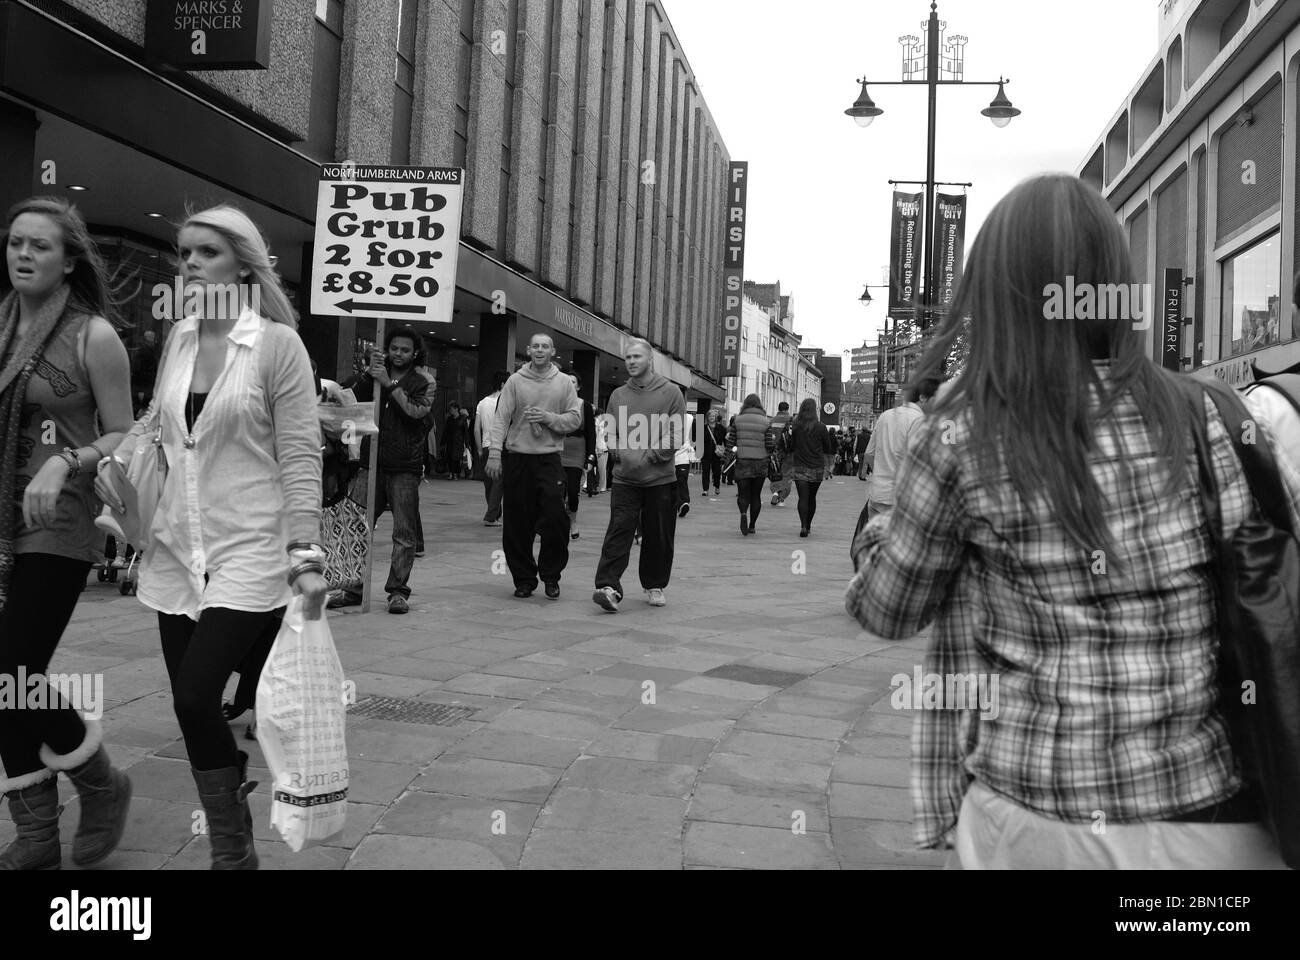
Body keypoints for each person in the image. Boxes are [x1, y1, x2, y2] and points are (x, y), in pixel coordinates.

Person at [845, 173, 1300, 869]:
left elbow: (889, 608)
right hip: (1206, 820)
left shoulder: (963, 435)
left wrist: (884, 528)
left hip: (1034, 821)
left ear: (997, 294)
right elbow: (1262, 584)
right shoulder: (1209, 416)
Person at [97, 204, 325, 869]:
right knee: (187, 705)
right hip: (176, 546)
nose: (188, 264)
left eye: (205, 253)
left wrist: (305, 551)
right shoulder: (183, 336)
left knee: (200, 693)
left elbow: (302, 454)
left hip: (252, 546)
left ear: (243, 266)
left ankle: (229, 848)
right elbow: (160, 424)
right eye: (184, 252)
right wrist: (107, 461)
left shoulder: (279, 346)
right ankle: (238, 840)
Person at [0, 197, 135, 871]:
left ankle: (101, 785)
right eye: (16, 243)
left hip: (60, 525)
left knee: (12, 670)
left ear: (69, 260)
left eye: (40, 246)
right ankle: (36, 831)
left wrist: (67, 458)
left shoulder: (93, 336)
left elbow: (125, 431)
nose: (24, 254)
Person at [339, 327, 432, 613]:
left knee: (404, 533)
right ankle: (353, 588)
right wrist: (371, 374)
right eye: (394, 349)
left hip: (405, 467)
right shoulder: (374, 375)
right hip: (371, 463)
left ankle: (397, 592)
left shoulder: (424, 381)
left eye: (405, 350)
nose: (399, 354)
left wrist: (389, 384)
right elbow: (353, 403)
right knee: (356, 526)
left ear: (414, 353)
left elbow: (416, 413)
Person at [592, 338, 687, 612]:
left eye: (637, 357)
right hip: (625, 480)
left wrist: (652, 456)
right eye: (628, 357)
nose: (631, 362)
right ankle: (608, 586)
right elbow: (610, 433)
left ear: (650, 360)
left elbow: (676, 434)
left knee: (659, 535)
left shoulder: (671, 393)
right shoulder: (618, 395)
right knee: (618, 531)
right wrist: (621, 453)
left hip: (660, 479)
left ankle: (654, 584)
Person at [484, 333, 581, 599]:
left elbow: (574, 420)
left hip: (550, 460)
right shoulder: (515, 381)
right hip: (518, 459)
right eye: (535, 346)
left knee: (555, 519)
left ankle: (551, 576)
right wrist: (494, 453)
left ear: (553, 351)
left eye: (545, 346)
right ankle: (524, 579)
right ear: (528, 350)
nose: (539, 350)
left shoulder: (563, 383)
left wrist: (548, 418)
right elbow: (501, 419)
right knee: (517, 523)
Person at [857, 379, 937, 535]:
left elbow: (869, 454)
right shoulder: (920, 421)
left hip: (878, 496)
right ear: (922, 397)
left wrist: (883, 472)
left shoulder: (885, 416)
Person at [726, 394, 775, 536]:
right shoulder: (766, 422)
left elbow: (731, 443)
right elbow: (770, 445)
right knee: (756, 495)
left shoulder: (737, 420)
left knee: (743, 494)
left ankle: (743, 513)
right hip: (760, 462)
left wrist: (726, 459)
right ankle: (752, 525)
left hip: (742, 461)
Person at [787, 398, 836, 538]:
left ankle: (802, 525)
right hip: (816, 467)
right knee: (812, 497)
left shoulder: (796, 426)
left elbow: (791, 446)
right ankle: (808, 526)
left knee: (803, 497)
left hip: (800, 466)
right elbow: (828, 447)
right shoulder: (821, 427)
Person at [560, 371, 596, 539]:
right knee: (556, 491)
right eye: (567, 381)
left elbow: (591, 433)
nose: (570, 384)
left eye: (573, 382)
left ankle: (573, 520)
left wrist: (590, 457)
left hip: (577, 452)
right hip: (559, 450)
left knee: (573, 492)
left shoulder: (585, 406)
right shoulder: (558, 403)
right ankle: (558, 524)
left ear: (579, 386)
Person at [474, 370, 507, 525]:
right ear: (502, 384)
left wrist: (479, 449)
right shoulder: (504, 401)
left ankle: (494, 513)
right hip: (499, 447)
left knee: (489, 483)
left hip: (486, 446)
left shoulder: (482, 402)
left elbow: (476, 429)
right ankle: (491, 516)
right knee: (498, 484)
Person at [768, 401, 793, 506]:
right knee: (786, 474)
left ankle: (774, 491)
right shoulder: (791, 420)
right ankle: (781, 497)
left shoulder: (772, 421)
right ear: (787, 409)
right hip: (788, 452)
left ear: (778, 409)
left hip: (774, 451)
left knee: (775, 473)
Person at [130, 328, 159, 415]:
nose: (155, 342)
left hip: (142, 388)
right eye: (154, 339)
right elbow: (138, 371)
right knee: (141, 411)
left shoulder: (142, 352)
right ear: (150, 340)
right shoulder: (145, 353)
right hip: (143, 389)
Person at [700, 408, 725, 497]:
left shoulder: (721, 428)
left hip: (716, 454)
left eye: (713, 416)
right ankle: (705, 489)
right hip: (705, 453)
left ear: (716, 417)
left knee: (716, 471)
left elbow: (724, 440)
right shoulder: (702, 427)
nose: (711, 418)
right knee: (705, 471)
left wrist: (725, 451)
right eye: (710, 416)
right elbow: (699, 441)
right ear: (707, 417)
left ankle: (717, 486)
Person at [443, 401, 467, 480]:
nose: (450, 410)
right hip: (450, 441)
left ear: (456, 409)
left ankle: (456, 473)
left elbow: (465, 431)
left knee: (456, 458)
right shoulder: (449, 419)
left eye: (452, 409)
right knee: (449, 457)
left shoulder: (462, 419)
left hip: (458, 441)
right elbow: (445, 431)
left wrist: (467, 443)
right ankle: (450, 473)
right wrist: (443, 442)